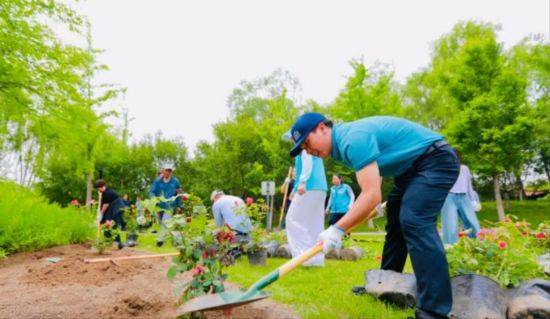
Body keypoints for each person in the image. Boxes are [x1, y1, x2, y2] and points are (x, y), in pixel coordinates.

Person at [288, 113, 460, 319]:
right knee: (396, 225)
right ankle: (385, 284)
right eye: (304, 149)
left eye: (307, 142)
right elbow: (373, 181)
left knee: (414, 221)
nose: (309, 151)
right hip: (409, 172)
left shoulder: (351, 139)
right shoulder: (340, 147)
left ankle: (434, 311)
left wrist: (337, 228)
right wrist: (372, 202)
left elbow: (370, 194)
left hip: (435, 160)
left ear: (322, 127)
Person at [286, 149, 327, 267]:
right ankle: (317, 260)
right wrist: (294, 190)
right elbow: (300, 171)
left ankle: (304, 257)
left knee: (293, 219)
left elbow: (307, 163)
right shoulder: (315, 147)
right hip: (320, 188)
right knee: (315, 224)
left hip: (308, 187)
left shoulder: (304, 147)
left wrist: (303, 182)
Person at [441, 150, 481, 245]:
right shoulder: (443, 169)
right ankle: (451, 248)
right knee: (450, 226)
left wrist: (474, 201)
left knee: (473, 223)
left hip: (464, 197)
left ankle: (476, 244)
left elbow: (469, 186)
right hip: (448, 198)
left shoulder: (464, 168)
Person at [148, 164, 182, 246]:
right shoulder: (157, 181)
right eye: (167, 170)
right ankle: (177, 240)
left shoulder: (175, 181)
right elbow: (151, 191)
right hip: (159, 205)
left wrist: (179, 206)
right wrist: (153, 199)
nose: (168, 172)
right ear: (163, 171)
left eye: (170, 171)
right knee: (162, 223)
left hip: (170, 205)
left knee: (165, 221)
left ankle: (160, 240)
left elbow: (178, 193)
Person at [94, 180, 126, 249]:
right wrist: (101, 220)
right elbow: (104, 206)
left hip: (117, 209)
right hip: (112, 209)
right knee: (107, 225)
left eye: (98, 188)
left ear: (102, 187)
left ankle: (118, 243)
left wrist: (101, 214)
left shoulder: (106, 193)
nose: (98, 190)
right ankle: (108, 242)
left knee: (113, 225)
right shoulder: (105, 193)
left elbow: (105, 206)